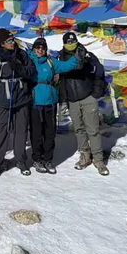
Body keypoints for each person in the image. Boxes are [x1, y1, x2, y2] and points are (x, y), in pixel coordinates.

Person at [0, 28, 37, 179]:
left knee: (21, 132)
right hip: (2, 100)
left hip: (21, 98)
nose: (12, 42)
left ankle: (21, 160)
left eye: (12, 39)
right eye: (8, 40)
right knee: (1, 132)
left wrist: (18, 67)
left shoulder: (21, 54)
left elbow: (31, 71)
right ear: (1, 42)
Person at [56, 31, 109, 175]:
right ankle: (85, 156)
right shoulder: (60, 58)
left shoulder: (87, 56)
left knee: (93, 130)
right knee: (79, 130)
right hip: (72, 100)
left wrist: (96, 94)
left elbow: (99, 73)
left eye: (72, 41)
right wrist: (63, 98)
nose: (70, 44)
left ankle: (98, 159)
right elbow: (60, 80)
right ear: (64, 43)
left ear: (77, 41)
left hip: (87, 98)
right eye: (67, 41)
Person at [27, 37, 81, 174]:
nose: (40, 50)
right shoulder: (29, 60)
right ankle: (37, 159)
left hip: (50, 101)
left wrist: (77, 57)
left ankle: (48, 159)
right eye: (38, 47)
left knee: (50, 133)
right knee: (37, 133)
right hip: (35, 102)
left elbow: (66, 66)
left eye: (43, 47)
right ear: (34, 49)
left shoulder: (51, 62)